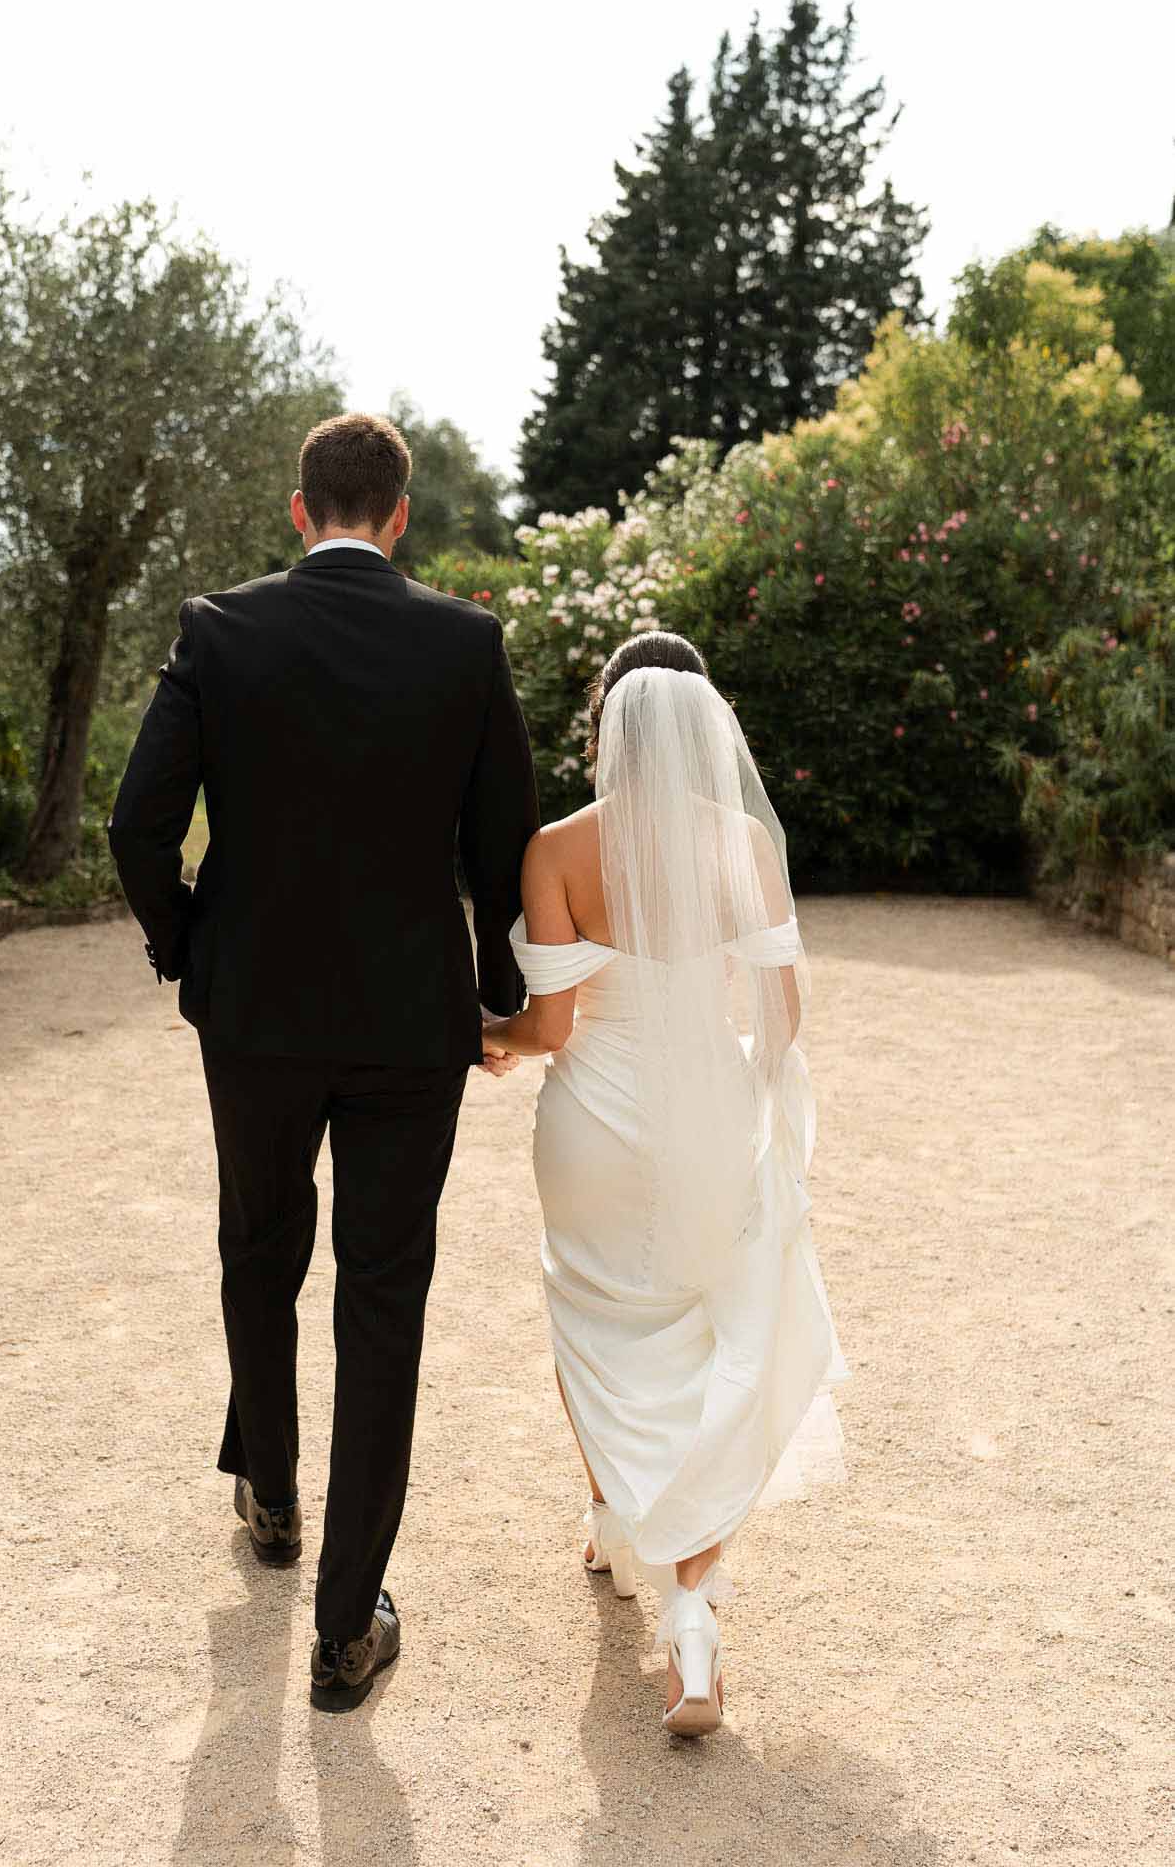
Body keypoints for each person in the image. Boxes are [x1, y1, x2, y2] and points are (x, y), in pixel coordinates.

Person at [108, 412, 539, 1712]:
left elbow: (137, 824)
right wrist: (497, 997)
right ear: (399, 515)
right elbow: (500, 848)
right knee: (381, 1300)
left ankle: (274, 1499)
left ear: (300, 511)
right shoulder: (464, 644)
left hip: (253, 1017)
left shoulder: (217, 629)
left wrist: (191, 952)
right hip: (410, 1028)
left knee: (256, 1246)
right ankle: (345, 1634)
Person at [480, 632, 850, 1738]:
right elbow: (784, 1011)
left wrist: (483, 1034)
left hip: (593, 1116)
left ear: (605, 726)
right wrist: (753, 1096)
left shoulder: (554, 848)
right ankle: (692, 1610)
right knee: (715, 1328)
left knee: (590, 1314)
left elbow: (547, 1026)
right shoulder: (741, 840)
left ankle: (610, 1516)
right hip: (709, 1114)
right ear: (705, 728)